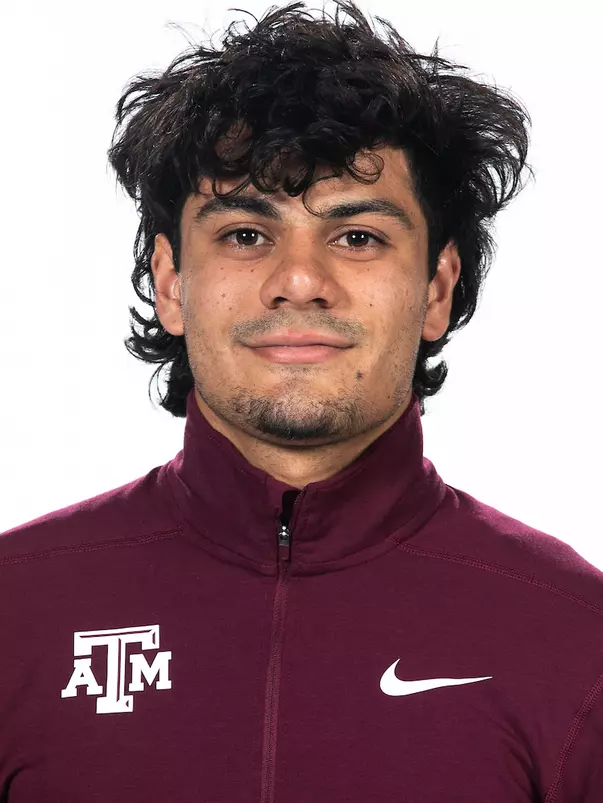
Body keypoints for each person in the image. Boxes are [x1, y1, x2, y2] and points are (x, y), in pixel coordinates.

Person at [1, 1, 601, 800]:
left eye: (357, 236)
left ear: (436, 288)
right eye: (245, 234)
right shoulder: (16, 608)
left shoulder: (574, 634)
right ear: (170, 282)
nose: (298, 281)